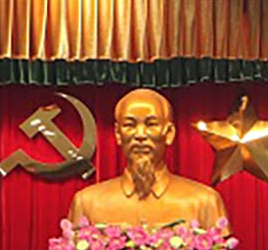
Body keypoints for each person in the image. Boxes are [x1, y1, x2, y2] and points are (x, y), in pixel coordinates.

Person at [67, 88, 228, 229]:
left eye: (151, 124)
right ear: (118, 134)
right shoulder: (87, 203)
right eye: (130, 125)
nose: (140, 135)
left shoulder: (205, 202)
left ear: (169, 133)